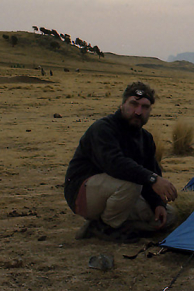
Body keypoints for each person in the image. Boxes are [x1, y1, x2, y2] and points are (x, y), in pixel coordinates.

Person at [64, 81, 178, 242]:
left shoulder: (146, 138)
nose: (138, 112)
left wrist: (157, 203)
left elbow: (151, 169)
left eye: (144, 107)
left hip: (118, 194)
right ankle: (108, 227)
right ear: (123, 104)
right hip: (83, 194)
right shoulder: (103, 128)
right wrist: (153, 179)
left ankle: (100, 227)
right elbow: (115, 164)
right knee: (132, 182)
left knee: (169, 215)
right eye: (134, 104)